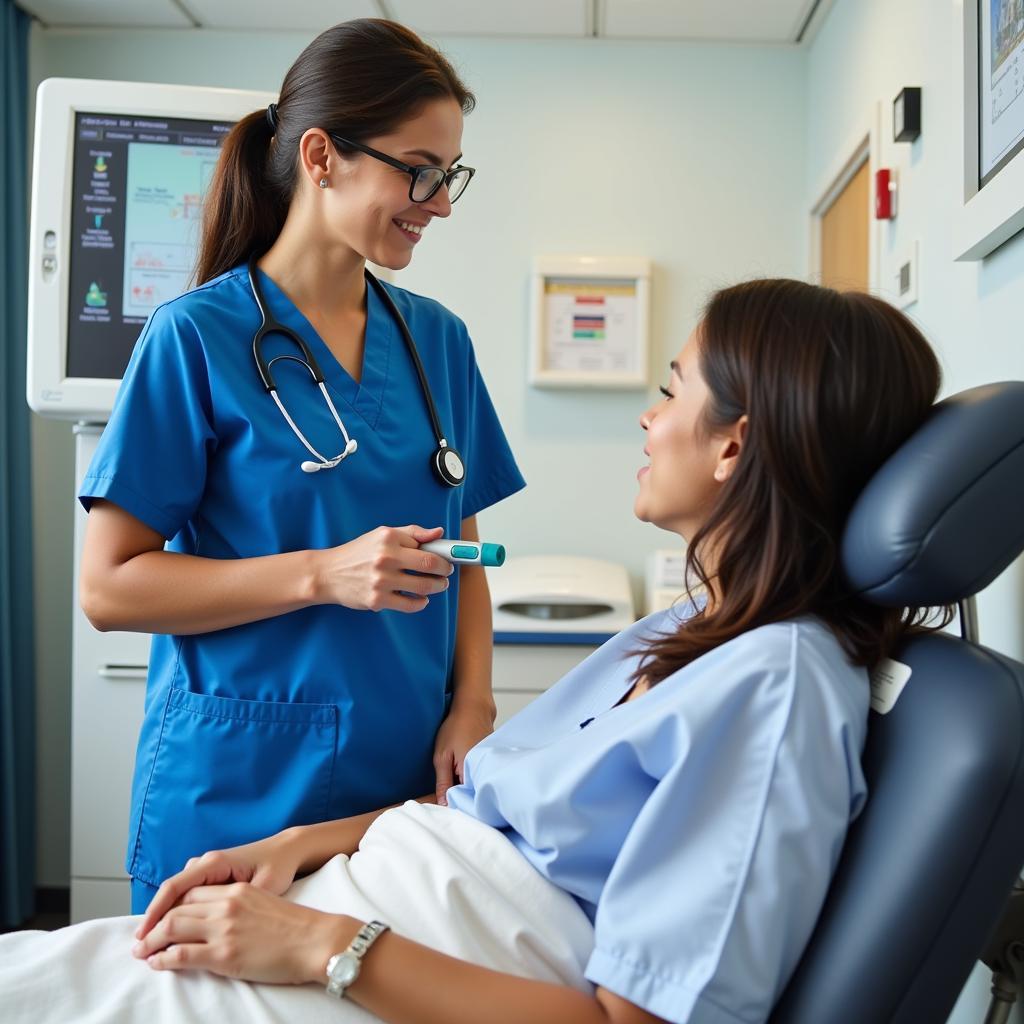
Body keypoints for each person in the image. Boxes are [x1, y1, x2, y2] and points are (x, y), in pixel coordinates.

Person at [3, 279, 948, 1024]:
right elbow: (492, 814)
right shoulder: (689, 635)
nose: (648, 420)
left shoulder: (773, 687)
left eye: (668, 392)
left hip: (370, 949)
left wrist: (316, 944)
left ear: (735, 449)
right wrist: (294, 849)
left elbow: (638, 1017)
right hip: (350, 898)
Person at [76, 18, 525, 915]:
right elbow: (110, 588)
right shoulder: (194, 339)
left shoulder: (437, 341)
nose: (439, 203)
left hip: (393, 797)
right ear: (322, 156)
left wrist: (473, 703)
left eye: (450, 176)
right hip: (236, 788)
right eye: (420, 170)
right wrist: (324, 574)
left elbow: (464, 554)